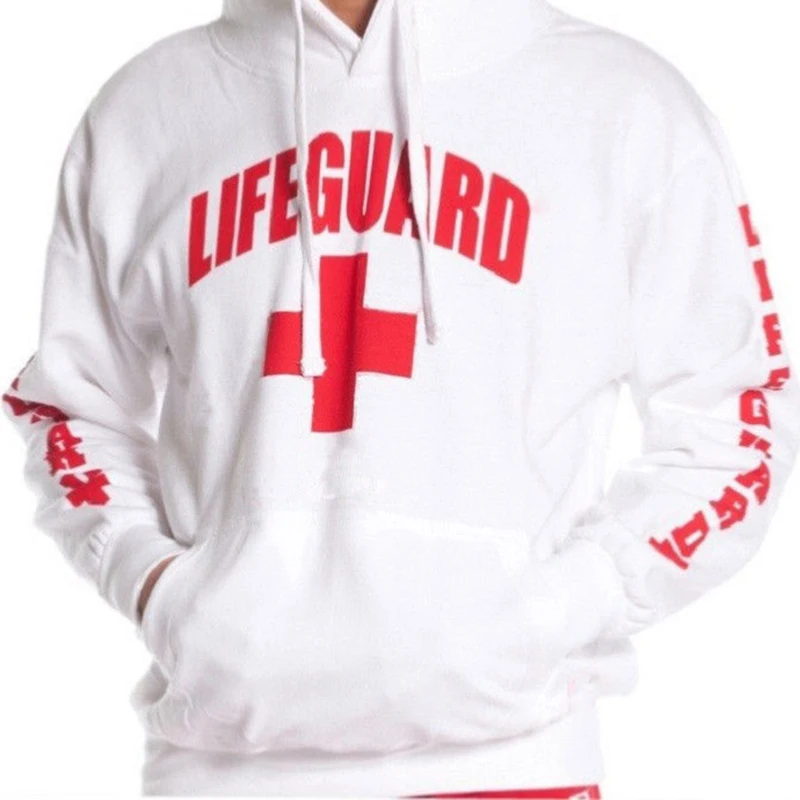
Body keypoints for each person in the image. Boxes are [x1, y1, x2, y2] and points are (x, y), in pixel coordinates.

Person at [4, 0, 798, 797]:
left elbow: (740, 417)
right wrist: (153, 583)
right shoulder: (148, 108)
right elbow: (72, 403)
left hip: (514, 762)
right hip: (220, 771)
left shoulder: (625, 102)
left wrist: (568, 603)